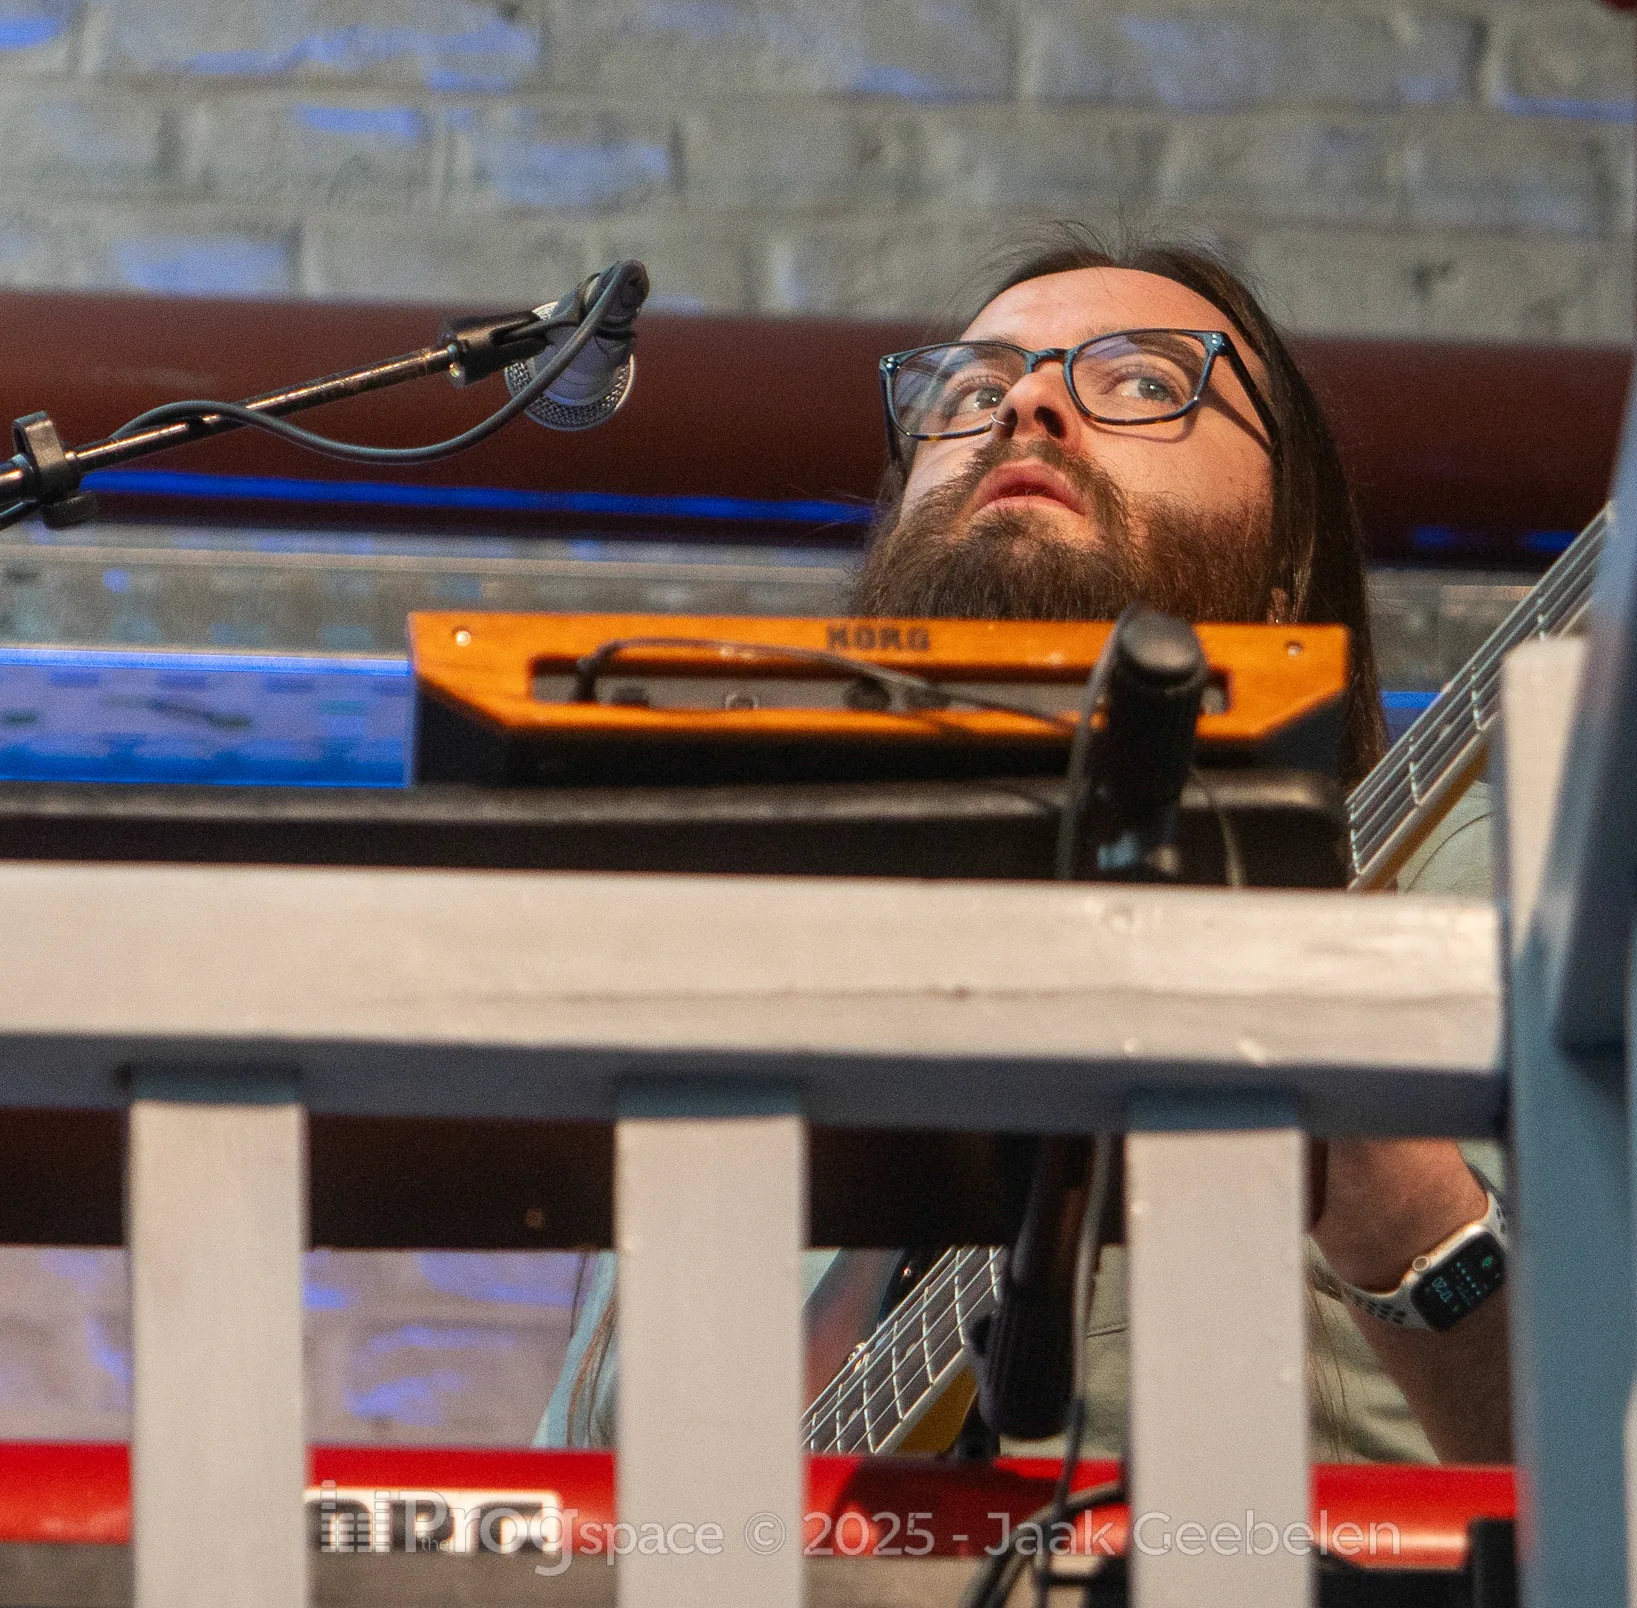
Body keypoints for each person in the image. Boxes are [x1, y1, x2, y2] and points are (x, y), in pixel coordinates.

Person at [538, 230, 1511, 1466]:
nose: (1028, 405)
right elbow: (570, 1521)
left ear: (1286, 570)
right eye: (970, 390)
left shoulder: (1447, 866)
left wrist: (1399, 1196)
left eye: (1146, 381)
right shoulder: (744, 993)